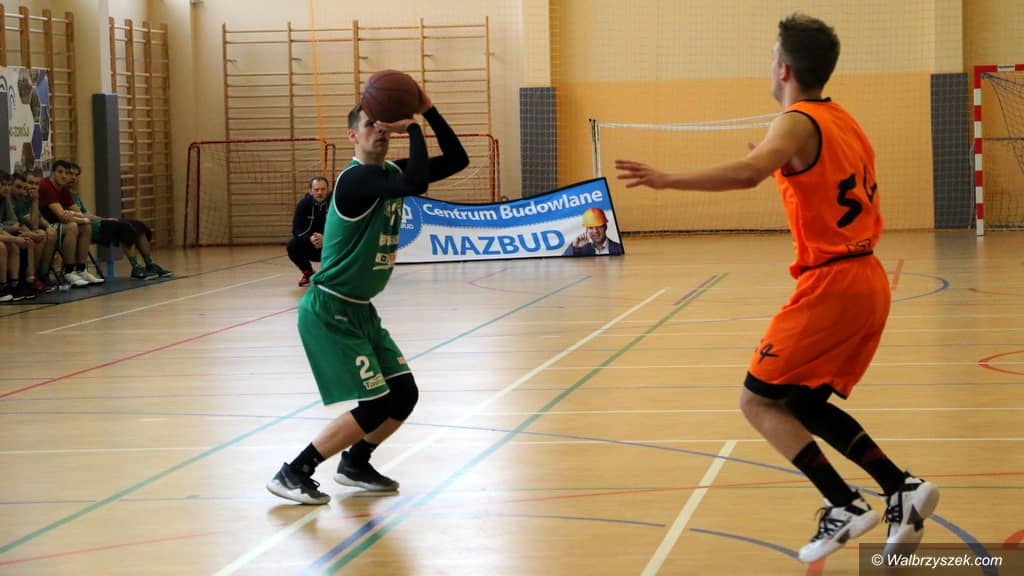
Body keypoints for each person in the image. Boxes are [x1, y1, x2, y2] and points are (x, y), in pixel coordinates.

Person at [615, 13, 938, 563]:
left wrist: (667, 179)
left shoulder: (795, 121)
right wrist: (781, 165)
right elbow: (822, 182)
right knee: (802, 401)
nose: (769, 66)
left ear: (784, 69)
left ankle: (843, 503)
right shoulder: (842, 120)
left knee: (756, 401)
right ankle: (900, 487)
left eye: (771, 58)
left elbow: (748, 173)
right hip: (866, 278)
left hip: (832, 283)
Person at [266, 86, 468, 504]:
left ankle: (356, 463)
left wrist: (429, 110)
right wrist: (413, 126)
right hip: (330, 308)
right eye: (370, 125)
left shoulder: (388, 173)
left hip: (360, 309)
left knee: (404, 394)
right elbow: (416, 181)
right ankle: (293, 472)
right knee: (375, 404)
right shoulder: (356, 179)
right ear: (352, 136)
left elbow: (458, 160)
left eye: (382, 125)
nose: (379, 130)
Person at [67, 162, 171, 280]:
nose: (73, 177)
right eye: (70, 174)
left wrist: (104, 219)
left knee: (138, 225)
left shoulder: (74, 196)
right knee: (124, 228)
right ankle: (136, 268)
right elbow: (76, 216)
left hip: (93, 222)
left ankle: (150, 264)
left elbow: (85, 214)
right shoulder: (61, 195)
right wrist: (103, 220)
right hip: (84, 228)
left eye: (76, 175)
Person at [38, 160, 103, 287]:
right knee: (72, 226)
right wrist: (82, 219)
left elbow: (79, 212)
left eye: (67, 173)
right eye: (60, 172)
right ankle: (68, 272)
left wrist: (96, 219)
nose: (64, 176)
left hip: (58, 224)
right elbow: (62, 215)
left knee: (85, 226)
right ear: (52, 173)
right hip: (45, 225)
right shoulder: (46, 186)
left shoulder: (63, 189)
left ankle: (81, 269)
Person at [287, 176, 331, 287]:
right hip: (311, 245)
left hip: (331, 245)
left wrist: (326, 239)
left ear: (328, 190)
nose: (320, 193)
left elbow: (344, 229)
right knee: (292, 245)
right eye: (316, 190)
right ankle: (308, 273)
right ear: (310, 191)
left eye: (323, 189)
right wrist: (310, 239)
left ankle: (336, 275)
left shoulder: (336, 204)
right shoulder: (303, 204)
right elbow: (296, 230)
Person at [18, 171, 58, 287]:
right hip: (20, 233)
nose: (34, 187)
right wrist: (35, 201)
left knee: (51, 233)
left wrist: (48, 226)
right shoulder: (21, 200)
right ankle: (32, 276)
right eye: (31, 183)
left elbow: (40, 219)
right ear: (24, 183)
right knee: (40, 235)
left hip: (27, 231)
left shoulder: (30, 199)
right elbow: (33, 224)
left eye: (37, 184)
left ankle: (43, 273)